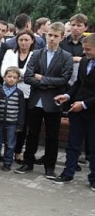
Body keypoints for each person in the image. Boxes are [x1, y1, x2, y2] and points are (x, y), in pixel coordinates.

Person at [15, 22, 73, 179]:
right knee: (32, 133)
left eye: (55, 36)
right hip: (35, 100)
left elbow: (64, 80)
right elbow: (27, 77)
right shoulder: (37, 54)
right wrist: (46, 82)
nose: (52, 39)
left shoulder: (66, 57)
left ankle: (50, 166)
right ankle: (28, 162)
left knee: (52, 136)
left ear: (62, 37)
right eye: (50, 35)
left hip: (54, 101)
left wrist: (42, 79)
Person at [54, 35, 95, 187]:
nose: (85, 52)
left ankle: (93, 179)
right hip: (77, 111)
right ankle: (68, 173)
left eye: (88, 49)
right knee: (73, 144)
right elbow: (79, 83)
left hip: (92, 112)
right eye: (84, 49)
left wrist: (84, 104)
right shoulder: (84, 61)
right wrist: (67, 95)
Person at [0, 30, 36, 163]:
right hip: (8, 92)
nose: (23, 42)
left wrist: (16, 74)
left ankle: (18, 151)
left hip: (26, 94)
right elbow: (4, 71)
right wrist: (23, 75)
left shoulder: (35, 55)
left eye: (27, 40)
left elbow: (33, 74)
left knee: (22, 124)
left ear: (32, 41)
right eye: (21, 40)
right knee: (5, 122)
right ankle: (4, 151)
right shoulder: (10, 53)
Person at [0, 67, 26, 171]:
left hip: (12, 123)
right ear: (4, 77)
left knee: (10, 144)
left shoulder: (19, 93)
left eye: (14, 77)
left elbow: (22, 110)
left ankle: (7, 162)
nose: (11, 79)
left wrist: (20, 125)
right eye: (9, 76)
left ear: (18, 79)